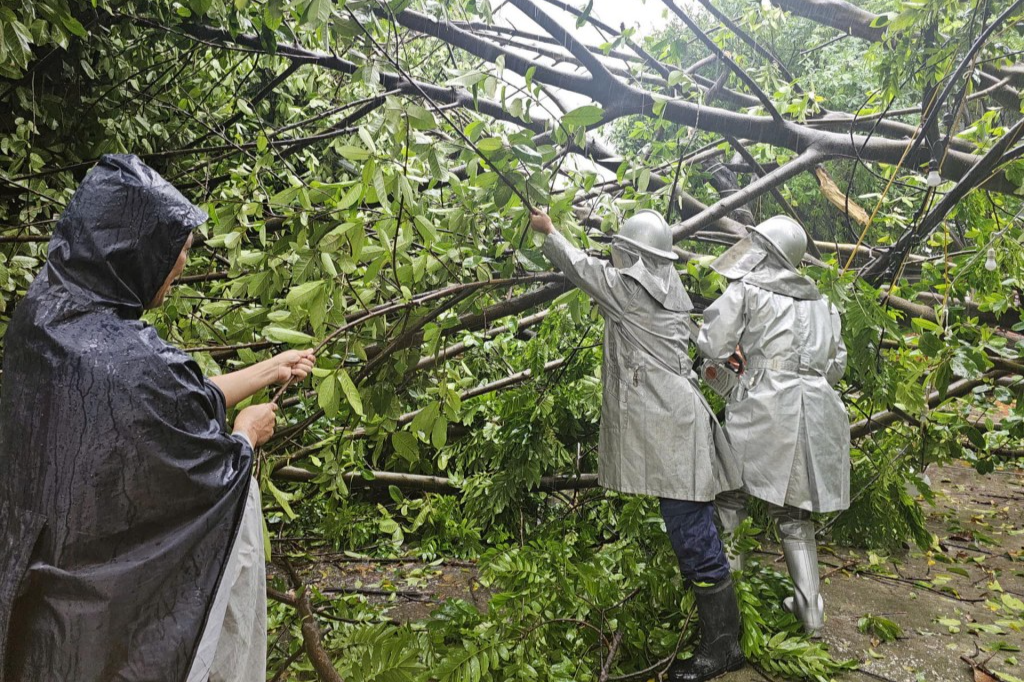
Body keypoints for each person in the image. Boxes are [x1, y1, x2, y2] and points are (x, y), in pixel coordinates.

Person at [0, 154, 314, 681]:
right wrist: (245, 439)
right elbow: (202, 466)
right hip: (92, 621)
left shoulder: (42, 318)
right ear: (132, 249)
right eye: (176, 249)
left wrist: (266, 369)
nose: (182, 264)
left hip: (26, 589)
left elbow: (167, 405)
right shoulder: (134, 364)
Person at [529, 209, 744, 682]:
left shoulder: (628, 290)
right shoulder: (670, 292)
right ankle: (721, 637)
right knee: (692, 527)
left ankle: (723, 648)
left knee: (692, 534)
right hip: (678, 421)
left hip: (674, 427)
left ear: (633, 256)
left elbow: (584, 270)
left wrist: (549, 232)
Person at [695, 215, 849, 636]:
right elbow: (836, 366)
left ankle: (732, 607)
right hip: (817, 410)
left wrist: (752, 365)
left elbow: (712, 343)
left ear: (768, 252)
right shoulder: (824, 303)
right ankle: (811, 612)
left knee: (730, 496)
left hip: (763, 405)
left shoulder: (747, 290)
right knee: (794, 515)